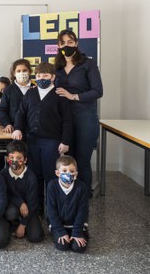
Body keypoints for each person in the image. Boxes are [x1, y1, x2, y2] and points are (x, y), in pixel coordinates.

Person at [12, 62, 72, 216]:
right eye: (38, 76)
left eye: (45, 75)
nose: (41, 78)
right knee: (34, 175)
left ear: (53, 77)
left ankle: (52, 210)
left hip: (52, 142)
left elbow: (67, 120)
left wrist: (65, 141)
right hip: (32, 141)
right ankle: (36, 210)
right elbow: (20, 113)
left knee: (50, 176)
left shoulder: (60, 95)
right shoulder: (30, 93)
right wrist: (18, 128)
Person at [54, 29, 103, 196]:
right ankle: (67, 194)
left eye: (70, 42)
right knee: (66, 160)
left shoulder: (88, 64)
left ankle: (83, 197)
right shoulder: (57, 67)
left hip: (85, 117)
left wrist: (73, 96)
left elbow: (98, 91)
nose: (67, 45)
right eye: (63, 43)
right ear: (58, 46)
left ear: (76, 43)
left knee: (82, 160)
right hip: (63, 119)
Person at [0, 140, 44, 243]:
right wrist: (20, 202)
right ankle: (11, 223)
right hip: (13, 206)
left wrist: (23, 225)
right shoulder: (3, 174)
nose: (14, 161)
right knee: (11, 213)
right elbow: (4, 195)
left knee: (36, 237)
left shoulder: (31, 177)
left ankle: (23, 223)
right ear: (7, 159)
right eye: (11, 158)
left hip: (29, 208)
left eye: (19, 158)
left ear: (25, 160)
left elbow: (33, 203)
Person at [47, 155, 89, 253]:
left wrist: (77, 232)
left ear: (76, 174)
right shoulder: (52, 186)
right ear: (57, 173)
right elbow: (51, 210)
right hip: (58, 225)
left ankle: (77, 234)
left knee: (78, 248)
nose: (68, 173)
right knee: (63, 245)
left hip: (76, 224)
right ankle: (59, 232)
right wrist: (60, 231)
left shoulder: (81, 187)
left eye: (72, 171)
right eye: (64, 171)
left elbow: (82, 211)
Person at [0, 59, 33, 134]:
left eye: (24, 70)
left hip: (33, 130)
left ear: (30, 72)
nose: (22, 73)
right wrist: (7, 124)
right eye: (18, 71)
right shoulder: (8, 90)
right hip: (14, 129)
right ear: (14, 73)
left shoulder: (36, 88)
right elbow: (2, 110)